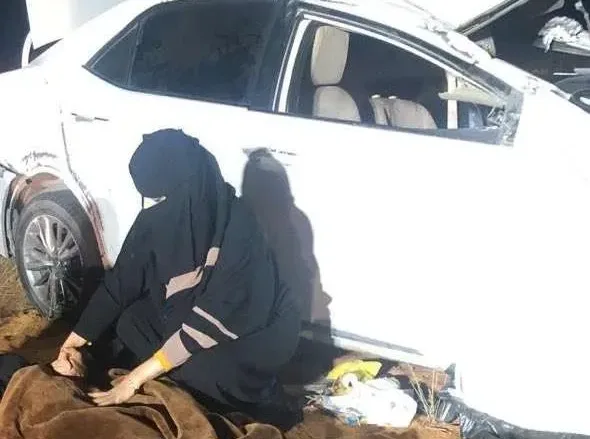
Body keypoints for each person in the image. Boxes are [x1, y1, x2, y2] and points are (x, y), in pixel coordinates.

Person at [51, 129, 301, 427]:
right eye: (155, 199)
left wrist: (134, 380)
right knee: (129, 322)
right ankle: (168, 364)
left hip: (252, 329)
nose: (159, 208)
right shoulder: (160, 220)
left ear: (189, 186)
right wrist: (71, 345)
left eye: (166, 197)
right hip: (194, 312)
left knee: (209, 373)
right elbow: (119, 286)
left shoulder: (241, 226)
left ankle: (256, 392)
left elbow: (222, 313)